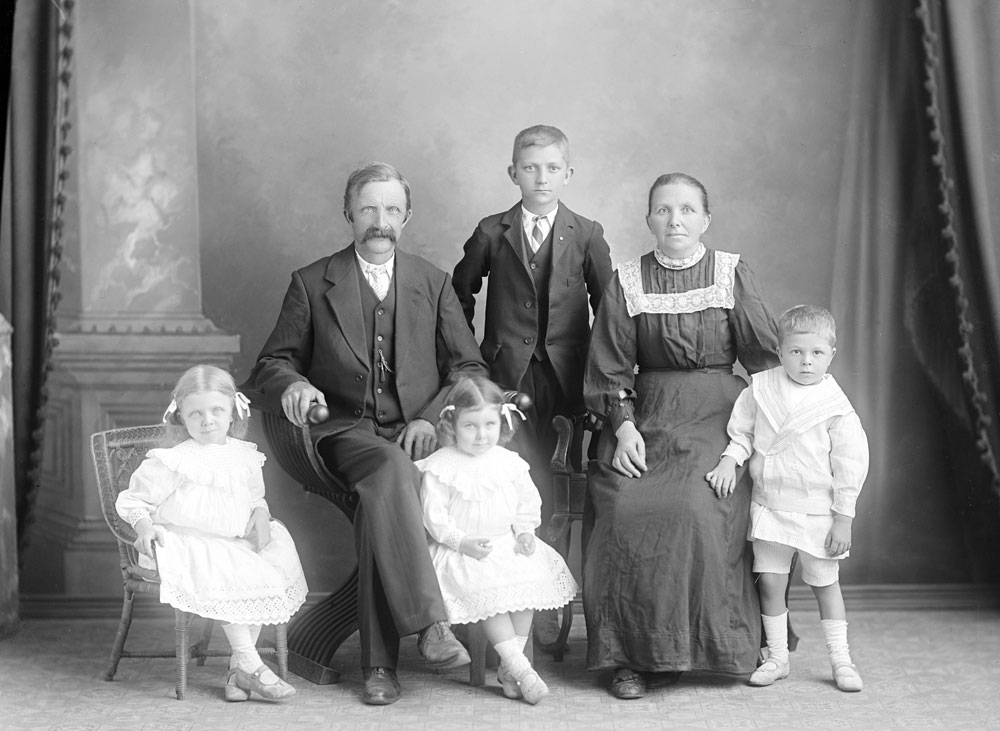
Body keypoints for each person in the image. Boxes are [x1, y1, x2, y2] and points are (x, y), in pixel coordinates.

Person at [248, 162, 489, 705]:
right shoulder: (311, 282)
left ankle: (380, 667)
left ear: (407, 216)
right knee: (389, 469)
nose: (380, 221)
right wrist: (292, 385)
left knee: (384, 499)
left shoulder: (432, 281)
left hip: (416, 429)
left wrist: (430, 417)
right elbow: (271, 363)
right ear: (348, 214)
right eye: (368, 209)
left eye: (391, 210)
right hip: (344, 433)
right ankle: (429, 625)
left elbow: (469, 368)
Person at [583, 172, 780, 700]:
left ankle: (712, 646)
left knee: (696, 506)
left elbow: (764, 362)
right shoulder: (626, 279)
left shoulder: (731, 273)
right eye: (664, 210)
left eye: (687, 210)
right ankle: (632, 656)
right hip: (644, 417)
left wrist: (763, 436)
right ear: (648, 219)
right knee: (625, 507)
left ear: (706, 219)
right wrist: (622, 428)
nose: (675, 221)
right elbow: (609, 367)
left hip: (721, 415)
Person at [451, 124, 613, 534]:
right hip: (507, 374)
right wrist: (469, 364)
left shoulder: (587, 233)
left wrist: (597, 370)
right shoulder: (491, 231)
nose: (542, 178)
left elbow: (610, 308)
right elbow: (457, 299)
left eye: (552, 168)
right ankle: (514, 556)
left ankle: (552, 562)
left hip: (567, 377)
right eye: (530, 168)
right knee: (508, 466)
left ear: (568, 174)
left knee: (559, 468)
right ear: (513, 173)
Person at [116, 365, 307, 702]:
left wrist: (260, 512)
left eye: (216, 410)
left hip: (230, 541)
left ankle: (238, 671)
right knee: (229, 567)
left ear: (233, 412)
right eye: (196, 414)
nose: (207, 421)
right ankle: (251, 664)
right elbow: (133, 499)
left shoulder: (244, 456)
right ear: (181, 418)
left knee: (266, 564)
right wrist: (144, 525)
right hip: (184, 542)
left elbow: (254, 497)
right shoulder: (174, 460)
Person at [706, 305, 869, 692]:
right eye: (796, 352)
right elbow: (743, 434)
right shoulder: (761, 389)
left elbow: (850, 463)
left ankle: (841, 660)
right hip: (772, 505)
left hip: (817, 511)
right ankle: (777, 657)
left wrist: (843, 517)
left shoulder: (836, 406)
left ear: (831, 354)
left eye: (815, 353)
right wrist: (731, 460)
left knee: (825, 584)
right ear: (780, 352)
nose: (806, 361)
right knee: (770, 584)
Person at [416, 375, 579, 705]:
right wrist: (460, 542)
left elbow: (526, 502)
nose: (481, 435)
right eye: (470, 426)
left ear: (501, 422)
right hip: (462, 550)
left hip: (505, 542)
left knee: (527, 581)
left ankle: (509, 668)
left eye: (489, 424)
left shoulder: (509, 462)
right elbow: (434, 517)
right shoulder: (441, 466)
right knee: (488, 589)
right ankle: (522, 669)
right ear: (452, 424)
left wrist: (524, 533)